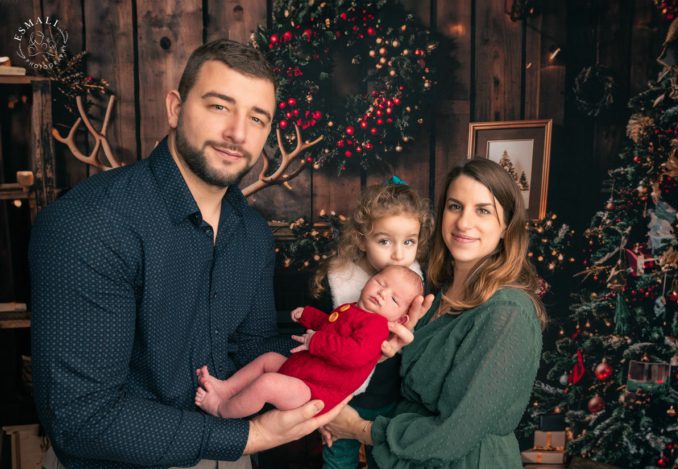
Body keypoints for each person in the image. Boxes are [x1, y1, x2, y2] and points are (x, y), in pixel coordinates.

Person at [28, 39, 355, 469]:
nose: (238, 133)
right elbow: (82, 417)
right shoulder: (92, 224)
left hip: (229, 450)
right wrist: (250, 436)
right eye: (220, 106)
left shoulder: (251, 231)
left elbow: (254, 348)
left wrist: (350, 340)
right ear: (175, 108)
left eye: (257, 118)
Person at [321, 158, 547, 468]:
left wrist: (359, 429)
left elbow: (456, 432)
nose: (463, 223)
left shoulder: (507, 312)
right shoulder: (431, 293)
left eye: (482, 210)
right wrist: (335, 407)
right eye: (455, 207)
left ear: (506, 225)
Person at [308, 182, 433, 469]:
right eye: (385, 241)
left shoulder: (416, 285)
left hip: (390, 398)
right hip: (340, 397)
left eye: (409, 242)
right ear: (363, 239)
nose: (398, 254)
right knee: (337, 460)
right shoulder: (338, 279)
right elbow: (318, 344)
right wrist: (318, 408)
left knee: (387, 461)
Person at [194, 265, 423, 419]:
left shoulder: (377, 326)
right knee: (268, 360)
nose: (382, 293)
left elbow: (355, 354)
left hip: (316, 390)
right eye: (380, 283)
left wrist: (316, 341)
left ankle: (221, 409)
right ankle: (227, 388)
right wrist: (308, 316)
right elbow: (330, 325)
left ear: (401, 319)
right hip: (305, 371)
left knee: (268, 384)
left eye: (393, 298)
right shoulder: (352, 308)